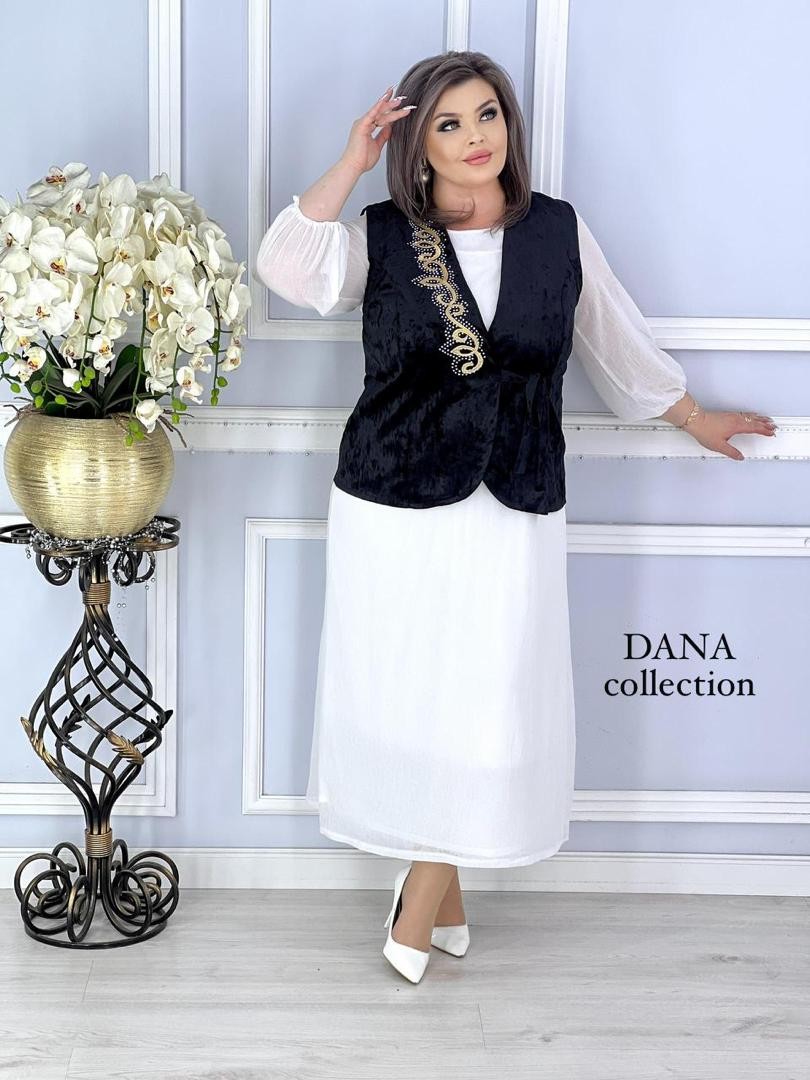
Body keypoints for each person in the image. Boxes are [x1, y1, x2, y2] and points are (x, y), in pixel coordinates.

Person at [255, 51, 776, 984]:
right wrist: (351, 159)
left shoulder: (556, 231)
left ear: (510, 122)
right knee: (409, 695)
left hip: (516, 499)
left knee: (489, 700)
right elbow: (285, 265)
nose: (474, 137)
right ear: (417, 144)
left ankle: (422, 894)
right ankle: (437, 896)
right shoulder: (383, 235)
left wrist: (693, 416)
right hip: (393, 502)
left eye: (487, 114)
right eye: (448, 123)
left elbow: (613, 336)